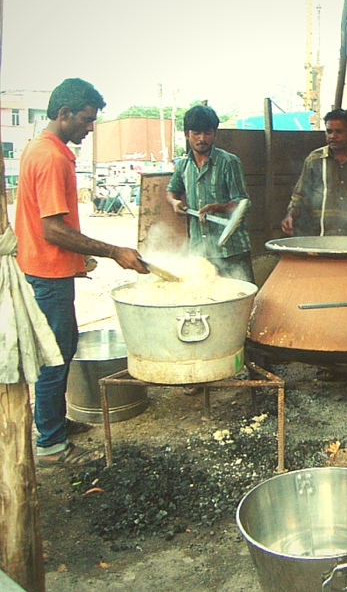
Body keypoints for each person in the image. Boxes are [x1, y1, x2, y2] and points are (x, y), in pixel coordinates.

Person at [14, 77, 149, 466]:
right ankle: (51, 445)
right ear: (64, 114)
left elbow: (51, 225)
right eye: (86, 120)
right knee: (55, 357)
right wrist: (112, 251)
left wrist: (79, 258)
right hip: (46, 276)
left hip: (47, 268)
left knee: (61, 348)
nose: (90, 128)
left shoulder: (39, 149)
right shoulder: (52, 156)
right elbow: (52, 228)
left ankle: (53, 422)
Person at [165, 105, 254, 284]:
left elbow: (243, 203)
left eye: (207, 133)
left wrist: (219, 208)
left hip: (232, 251)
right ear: (186, 134)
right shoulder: (183, 166)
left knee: (242, 300)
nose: (202, 139)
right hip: (200, 253)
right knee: (206, 301)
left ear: (215, 134)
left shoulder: (229, 162)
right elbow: (171, 191)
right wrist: (175, 202)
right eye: (196, 133)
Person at [281, 108, 347, 237]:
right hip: (320, 236)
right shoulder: (314, 159)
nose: (332, 136)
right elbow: (300, 195)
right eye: (329, 131)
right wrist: (290, 216)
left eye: (339, 131)